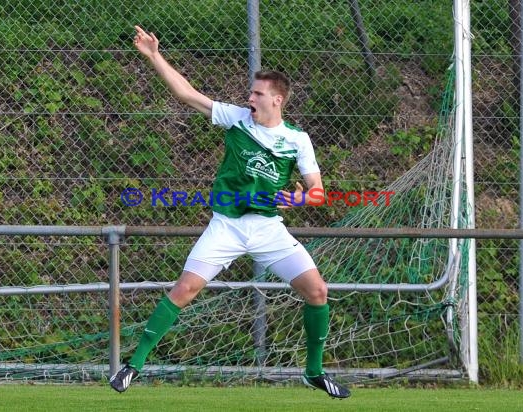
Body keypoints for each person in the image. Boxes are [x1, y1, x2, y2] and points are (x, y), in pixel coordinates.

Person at [109, 25, 350, 399]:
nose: (249, 96)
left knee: (317, 290)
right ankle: (133, 365)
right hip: (227, 226)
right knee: (184, 290)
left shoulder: (297, 140)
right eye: (250, 91)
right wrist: (155, 56)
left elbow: (318, 192)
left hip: (269, 229)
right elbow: (186, 94)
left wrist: (303, 200)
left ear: (277, 101)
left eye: (257, 93)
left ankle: (314, 372)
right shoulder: (236, 118)